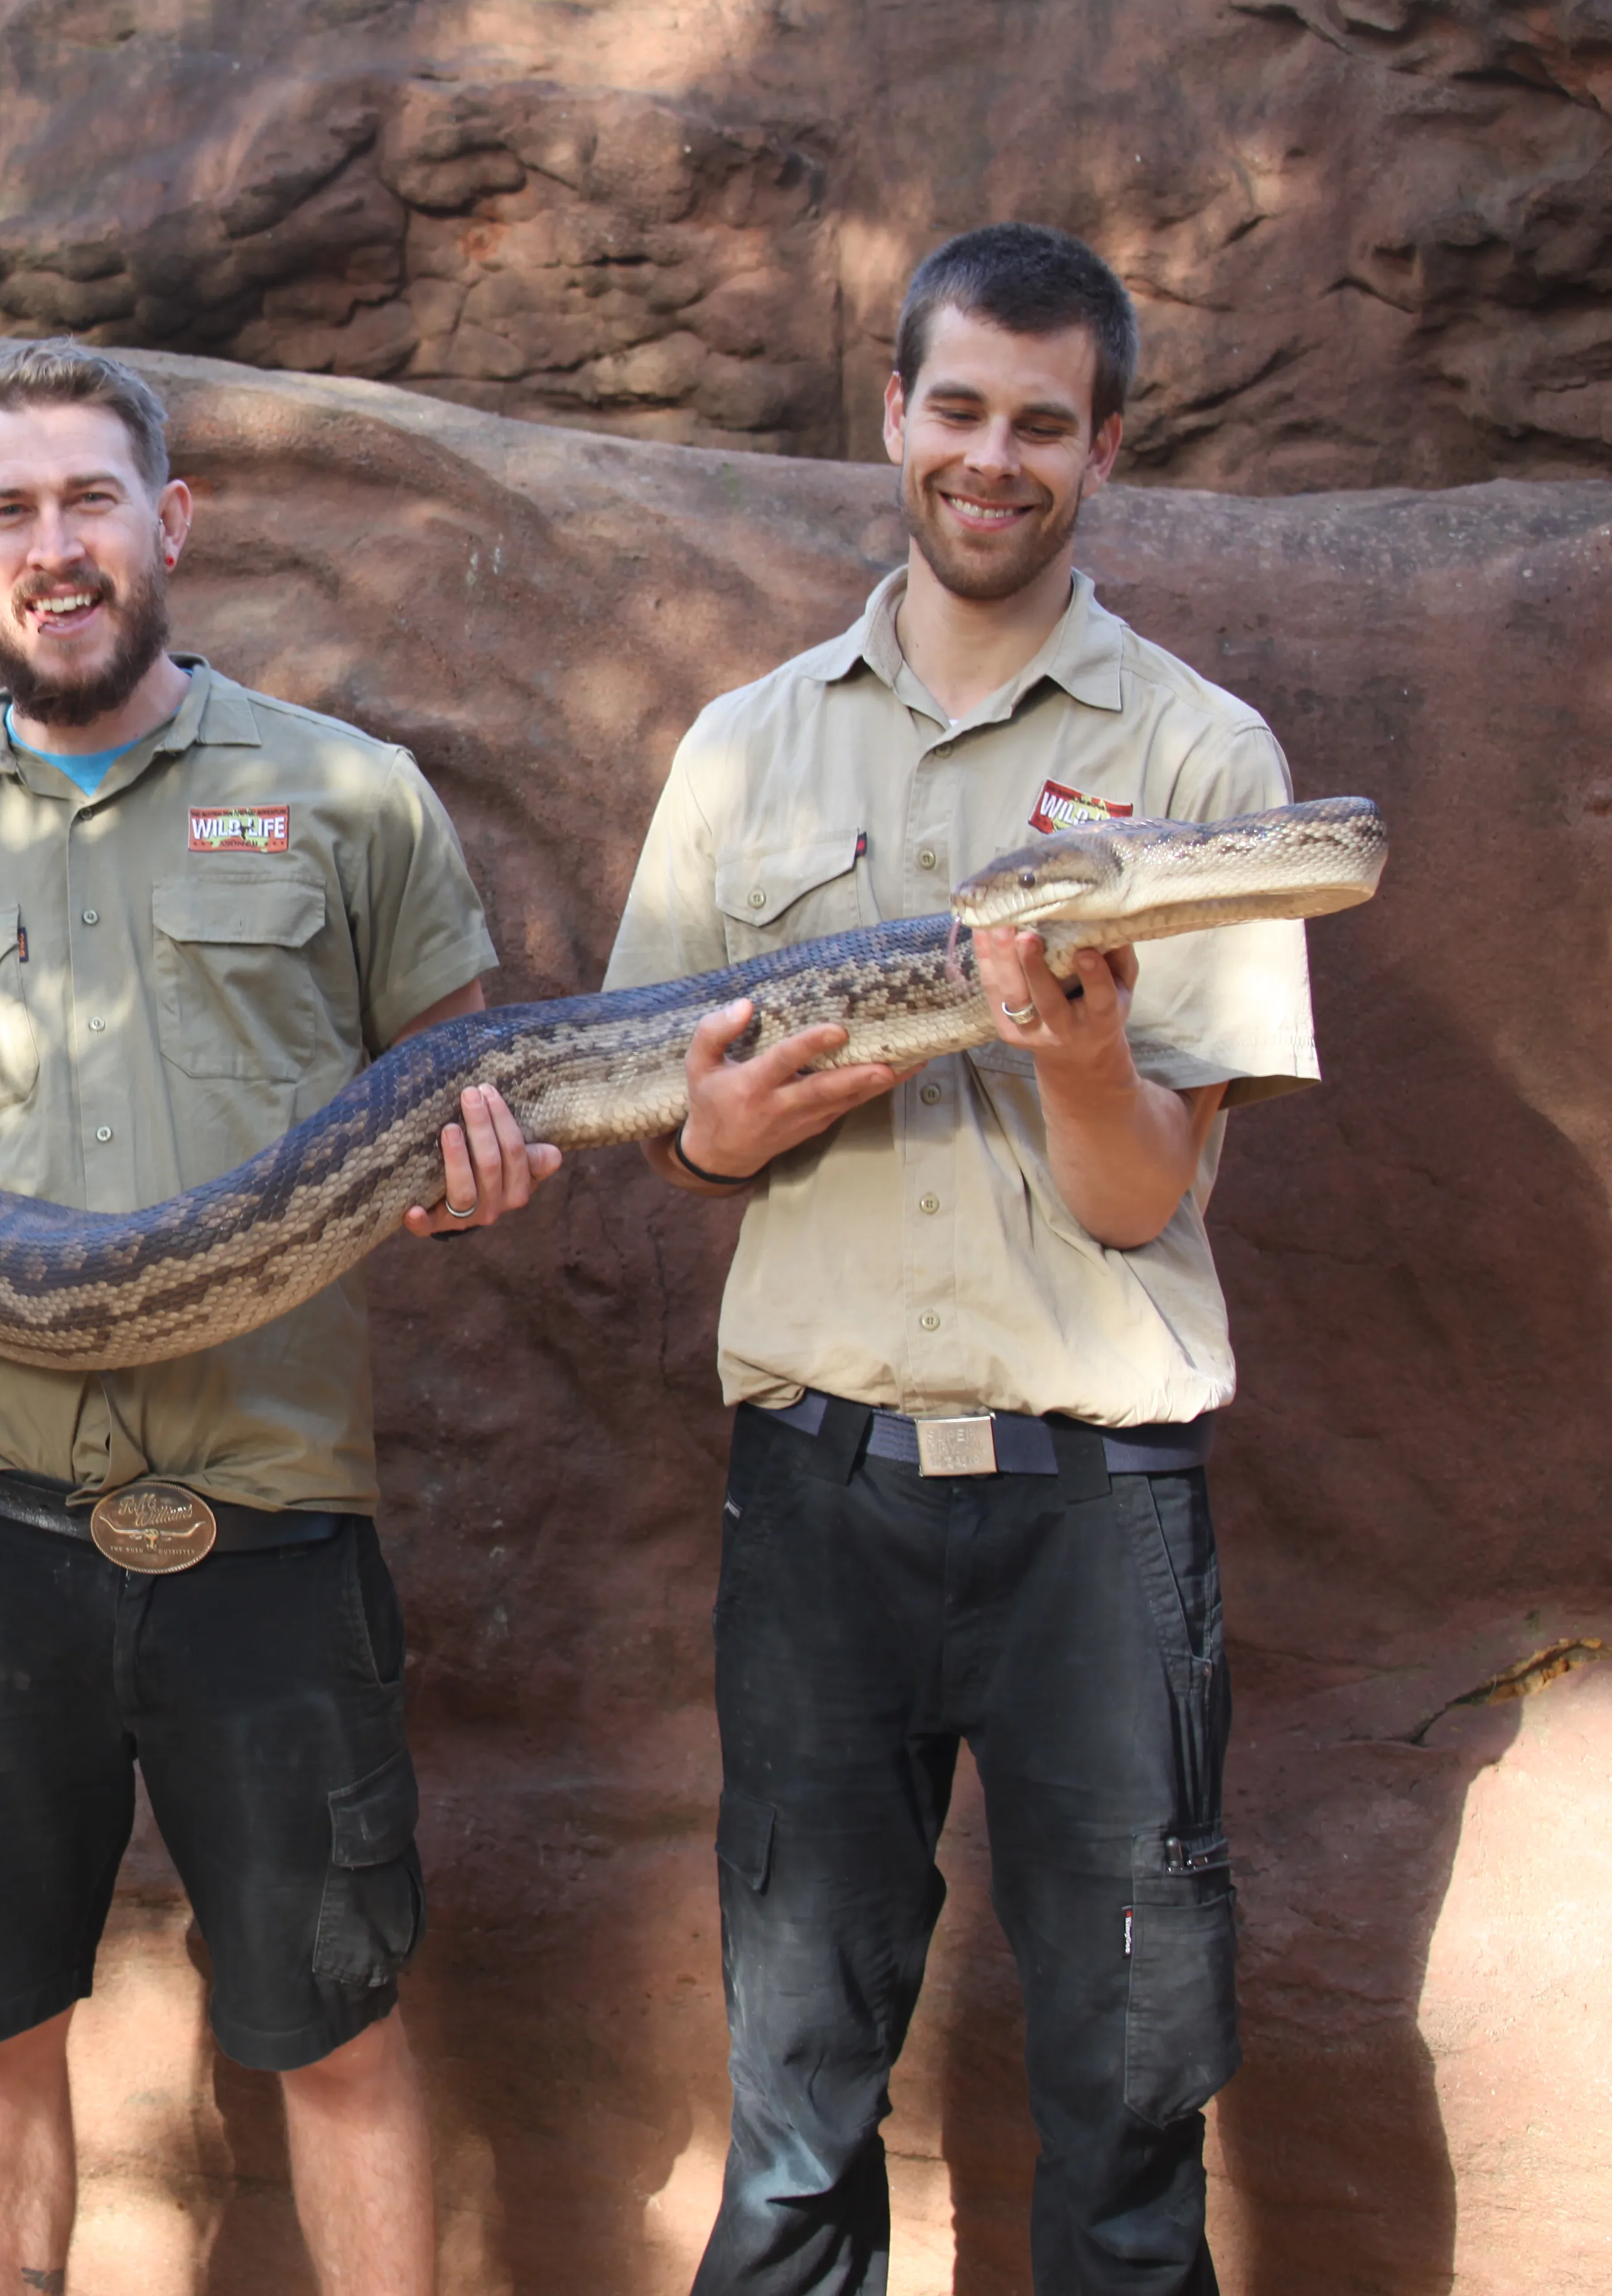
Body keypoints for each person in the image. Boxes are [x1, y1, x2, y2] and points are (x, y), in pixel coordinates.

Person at [0, 340, 556, 2296]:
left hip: (271, 1520)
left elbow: (471, 1098)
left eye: (90, 500)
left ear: (172, 521)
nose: (53, 546)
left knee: (331, 2025)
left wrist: (488, 1173)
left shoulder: (349, 797)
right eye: (11, 510)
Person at [607, 224, 1315, 2295]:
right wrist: (713, 1136)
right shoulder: (744, 748)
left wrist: (1082, 1051)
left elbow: (1138, 1200)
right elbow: (672, 1112)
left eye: (1041, 424)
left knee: (1129, 2096)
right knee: (799, 2094)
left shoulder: (1204, 768)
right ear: (893, 416)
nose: (990, 458)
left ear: (1104, 448)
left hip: (1101, 1505)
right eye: (957, 411)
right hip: (820, 1490)